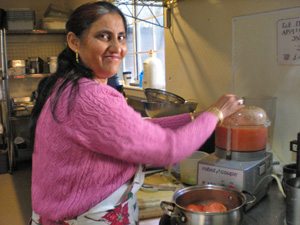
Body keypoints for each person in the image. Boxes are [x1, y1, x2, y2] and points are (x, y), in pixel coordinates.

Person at [29, 2, 244, 225]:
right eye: (104, 36)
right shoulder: (92, 98)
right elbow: (171, 148)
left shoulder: (68, 85)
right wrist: (217, 113)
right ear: (75, 42)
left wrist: (192, 118)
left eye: (121, 37)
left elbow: (136, 130)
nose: (117, 47)